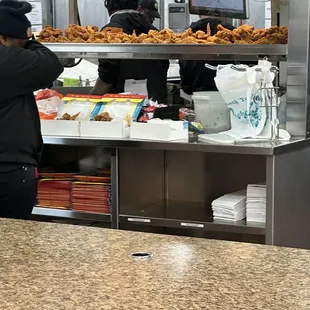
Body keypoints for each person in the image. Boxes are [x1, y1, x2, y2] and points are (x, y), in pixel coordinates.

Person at [0, 0, 64, 219]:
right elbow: (51, 65)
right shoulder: (6, 60)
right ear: (2, 38)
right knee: (14, 245)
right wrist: (31, 40)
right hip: (8, 172)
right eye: (19, 43)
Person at [91, 0, 168, 103]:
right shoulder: (156, 33)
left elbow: (107, 76)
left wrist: (92, 97)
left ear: (109, 8)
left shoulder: (111, 32)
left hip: (125, 109)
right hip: (156, 107)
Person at [179, 17, 235, 95]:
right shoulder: (232, 33)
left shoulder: (186, 36)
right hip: (230, 96)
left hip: (199, 96)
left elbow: (186, 86)